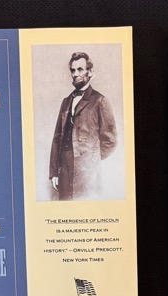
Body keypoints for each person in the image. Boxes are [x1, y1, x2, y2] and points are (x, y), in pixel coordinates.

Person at [49, 52, 117, 201]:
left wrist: (90, 160)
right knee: (66, 211)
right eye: (73, 70)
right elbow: (57, 138)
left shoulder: (100, 101)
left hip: (87, 174)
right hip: (64, 170)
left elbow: (111, 141)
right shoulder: (66, 101)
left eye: (80, 69)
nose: (75, 74)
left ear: (90, 72)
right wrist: (54, 172)